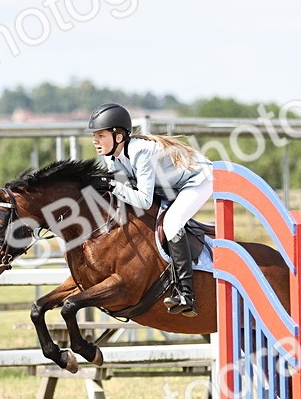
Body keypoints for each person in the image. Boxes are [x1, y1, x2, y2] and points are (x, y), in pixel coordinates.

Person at [86, 102, 213, 316]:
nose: (95, 140)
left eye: (101, 135)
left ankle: (186, 294)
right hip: (168, 188)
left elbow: (143, 200)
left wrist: (111, 185)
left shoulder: (140, 151)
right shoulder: (113, 159)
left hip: (197, 180)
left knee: (172, 223)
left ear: (118, 136)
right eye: (95, 136)